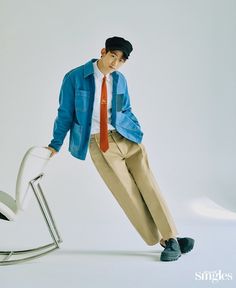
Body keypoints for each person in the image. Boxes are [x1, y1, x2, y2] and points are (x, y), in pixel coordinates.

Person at [46, 36, 194, 261]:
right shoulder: (75, 78)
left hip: (128, 139)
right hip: (100, 143)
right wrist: (55, 144)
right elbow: (65, 114)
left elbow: (126, 108)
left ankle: (171, 237)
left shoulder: (120, 79)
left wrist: (137, 132)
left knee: (150, 187)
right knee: (129, 195)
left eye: (121, 61)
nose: (115, 64)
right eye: (113, 57)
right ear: (103, 52)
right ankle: (165, 241)